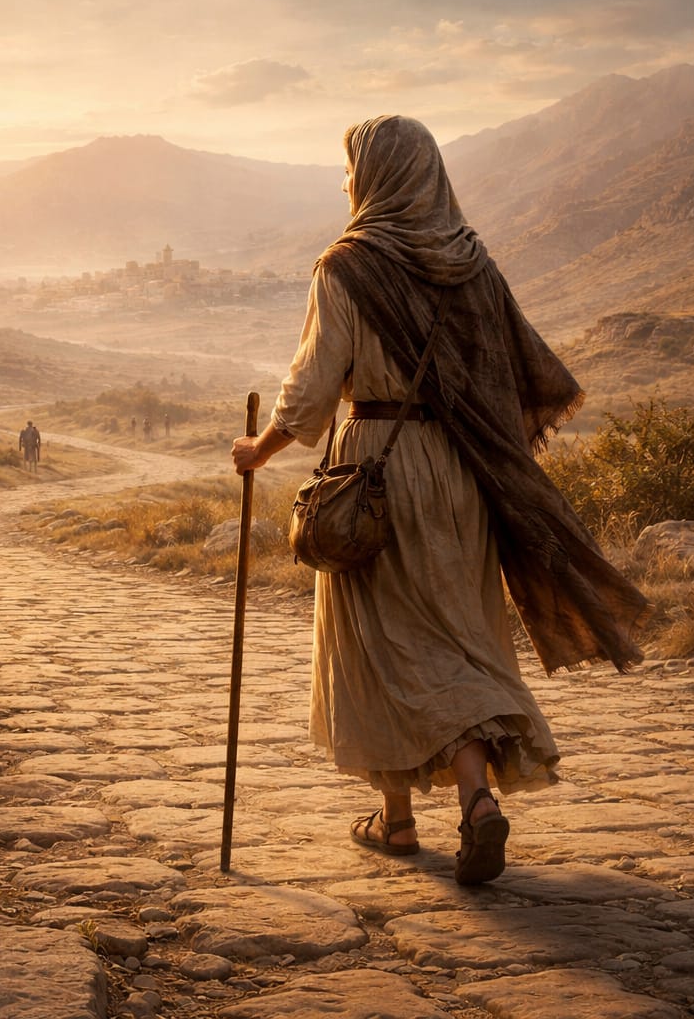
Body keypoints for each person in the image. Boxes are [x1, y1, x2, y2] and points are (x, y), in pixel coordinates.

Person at [230, 115, 648, 885]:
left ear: (375, 175)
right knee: (457, 640)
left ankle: (409, 817)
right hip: (462, 479)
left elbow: (314, 388)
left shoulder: (346, 267)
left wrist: (260, 451)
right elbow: (513, 379)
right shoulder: (474, 267)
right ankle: (461, 806)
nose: (345, 183)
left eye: (349, 170)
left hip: (376, 475)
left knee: (375, 643)